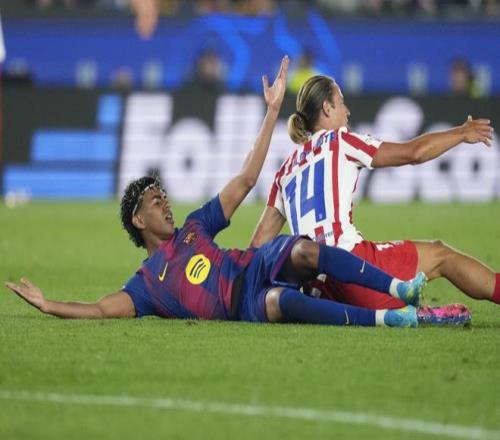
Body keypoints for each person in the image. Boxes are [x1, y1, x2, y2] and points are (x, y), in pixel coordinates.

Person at [5, 57, 426, 328]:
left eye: (164, 196)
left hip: (255, 264)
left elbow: (245, 180)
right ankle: (383, 320)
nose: (166, 204)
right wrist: (49, 304)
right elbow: (99, 309)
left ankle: (398, 288)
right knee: (281, 304)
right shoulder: (146, 286)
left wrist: (272, 112)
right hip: (243, 306)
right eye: (155, 201)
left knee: (302, 249)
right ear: (138, 219)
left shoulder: (196, 225)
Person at [250, 74, 498, 323]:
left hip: (318, 290)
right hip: (353, 268)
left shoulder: (286, 170)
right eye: (341, 102)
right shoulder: (341, 140)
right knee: (441, 255)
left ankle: (417, 314)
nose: (347, 111)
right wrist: (461, 133)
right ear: (326, 108)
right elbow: (414, 153)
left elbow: (258, 244)